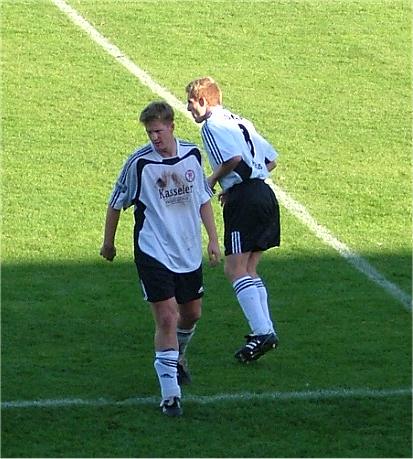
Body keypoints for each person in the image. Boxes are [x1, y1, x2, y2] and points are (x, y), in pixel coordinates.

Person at [100, 101, 221, 417]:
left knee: (191, 314)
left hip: (187, 249)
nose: (154, 137)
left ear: (171, 127)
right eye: (149, 132)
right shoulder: (139, 163)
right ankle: (170, 395)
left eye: (158, 131)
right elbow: (116, 202)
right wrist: (108, 243)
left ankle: (178, 356)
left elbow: (203, 199)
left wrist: (213, 239)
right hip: (153, 250)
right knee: (167, 317)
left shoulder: (191, 155)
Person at [185, 76, 281, 363]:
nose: (188, 109)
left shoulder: (211, 126)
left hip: (245, 201)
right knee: (249, 268)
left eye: (190, 103)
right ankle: (266, 330)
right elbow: (271, 160)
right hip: (264, 194)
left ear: (203, 100)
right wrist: (237, 184)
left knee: (234, 269)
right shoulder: (240, 120)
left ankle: (262, 332)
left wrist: (213, 180)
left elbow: (234, 159)